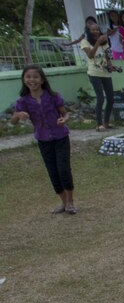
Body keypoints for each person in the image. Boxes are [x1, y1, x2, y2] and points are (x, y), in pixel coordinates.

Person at [10, 66, 76, 214]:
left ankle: (71, 201)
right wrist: (18, 115)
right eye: (28, 77)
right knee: (53, 171)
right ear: (24, 80)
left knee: (63, 169)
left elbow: (65, 114)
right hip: (43, 140)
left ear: (42, 80)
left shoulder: (53, 96)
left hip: (61, 137)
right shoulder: (23, 101)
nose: (31, 80)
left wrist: (63, 120)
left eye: (35, 77)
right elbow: (13, 121)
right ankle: (63, 202)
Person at [81, 20, 116, 131]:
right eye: (93, 30)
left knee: (110, 98)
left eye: (97, 29)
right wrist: (97, 43)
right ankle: (98, 124)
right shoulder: (85, 42)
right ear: (89, 31)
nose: (96, 32)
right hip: (94, 73)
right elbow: (90, 55)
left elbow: (107, 56)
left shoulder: (104, 42)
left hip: (105, 73)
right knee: (100, 97)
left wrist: (110, 66)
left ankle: (106, 122)